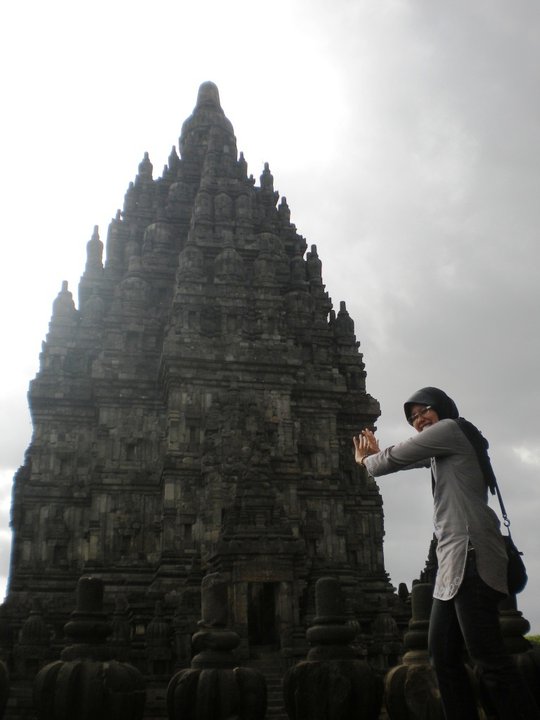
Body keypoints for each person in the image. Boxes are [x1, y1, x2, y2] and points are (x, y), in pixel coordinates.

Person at [353, 386, 540, 720]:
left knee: (488, 658)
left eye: (424, 410)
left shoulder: (450, 430)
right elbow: (406, 459)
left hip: (473, 555)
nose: (419, 419)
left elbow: (387, 462)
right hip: (452, 564)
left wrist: (367, 458)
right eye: (412, 418)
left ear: (442, 408)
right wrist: (380, 456)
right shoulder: (446, 446)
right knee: (442, 654)